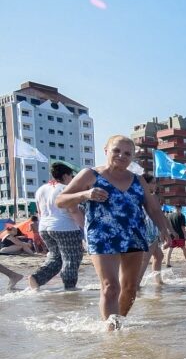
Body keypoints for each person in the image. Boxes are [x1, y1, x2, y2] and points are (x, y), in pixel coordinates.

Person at [57, 135, 171, 326]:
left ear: (132, 157)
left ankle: (118, 323)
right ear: (106, 151)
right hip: (103, 236)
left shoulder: (138, 180)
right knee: (110, 287)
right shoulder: (90, 175)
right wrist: (85, 194)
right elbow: (60, 200)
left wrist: (163, 228)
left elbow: (152, 207)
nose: (121, 156)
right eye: (116, 150)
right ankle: (111, 331)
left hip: (134, 236)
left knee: (130, 288)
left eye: (127, 153)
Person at [28, 161, 85, 290]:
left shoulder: (41, 189)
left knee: (56, 257)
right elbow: (73, 210)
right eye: (71, 177)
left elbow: (39, 211)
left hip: (45, 227)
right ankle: (70, 288)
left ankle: (37, 278)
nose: (72, 180)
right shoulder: (65, 189)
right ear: (65, 176)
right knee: (72, 257)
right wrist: (84, 227)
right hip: (65, 227)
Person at [137, 175, 165, 286]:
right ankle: (136, 284)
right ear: (145, 183)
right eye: (153, 183)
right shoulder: (150, 196)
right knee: (145, 259)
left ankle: (158, 281)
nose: (156, 185)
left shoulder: (143, 195)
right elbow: (159, 214)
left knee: (159, 256)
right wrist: (168, 231)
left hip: (149, 227)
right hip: (149, 229)